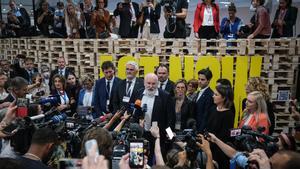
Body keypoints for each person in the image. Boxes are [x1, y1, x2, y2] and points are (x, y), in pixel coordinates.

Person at [136, 73, 175, 163]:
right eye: (148, 83)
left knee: (158, 159)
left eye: (153, 84)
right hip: (142, 133)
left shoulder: (165, 96)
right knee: (139, 160)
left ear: (157, 84)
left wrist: (170, 135)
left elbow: (171, 118)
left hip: (159, 135)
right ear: (144, 83)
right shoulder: (138, 93)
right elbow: (135, 112)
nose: (151, 86)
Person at [206, 84, 234, 169]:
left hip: (220, 152)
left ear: (224, 98)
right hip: (208, 148)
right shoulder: (212, 109)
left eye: (216, 94)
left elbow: (224, 137)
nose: (213, 96)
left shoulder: (228, 114)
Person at [194, 68, 214, 132]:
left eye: (202, 80)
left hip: (201, 130)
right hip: (195, 127)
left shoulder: (210, 95)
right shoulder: (198, 92)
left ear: (208, 80)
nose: (199, 81)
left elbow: (206, 116)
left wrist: (200, 131)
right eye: (199, 79)